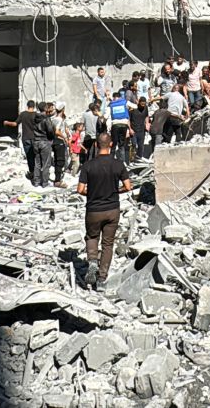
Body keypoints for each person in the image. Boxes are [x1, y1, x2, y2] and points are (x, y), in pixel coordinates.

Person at [78, 132, 131, 289]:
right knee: (108, 243)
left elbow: (80, 189)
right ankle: (101, 279)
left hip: (93, 209)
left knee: (92, 236)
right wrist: (115, 190)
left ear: (96, 145)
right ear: (111, 144)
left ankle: (93, 260)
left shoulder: (88, 166)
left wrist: (93, 192)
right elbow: (128, 187)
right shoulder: (118, 164)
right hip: (112, 209)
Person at [5, 101, 40, 185]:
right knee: (36, 156)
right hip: (35, 138)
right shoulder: (37, 115)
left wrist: (6, 122)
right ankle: (37, 174)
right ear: (34, 106)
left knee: (29, 157)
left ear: (27, 106)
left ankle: (32, 173)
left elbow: (14, 124)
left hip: (26, 138)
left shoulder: (23, 114)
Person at [44, 102, 67, 187]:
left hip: (52, 141)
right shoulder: (59, 119)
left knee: (56, 160)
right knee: (60, 161)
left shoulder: (52, 119)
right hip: (59, 141)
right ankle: (58, 180)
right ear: (63, 109)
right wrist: (65, 137)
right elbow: (57, 131)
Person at [107, 92, 130, 161]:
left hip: (115, 125)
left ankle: (111, 160)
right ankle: (122, 162)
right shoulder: (124, 102)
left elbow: (106, 116)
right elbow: (135, 106)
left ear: (114, 97)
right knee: (121, 144)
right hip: (124, 125)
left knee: (114, 144)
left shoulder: (111, 104)